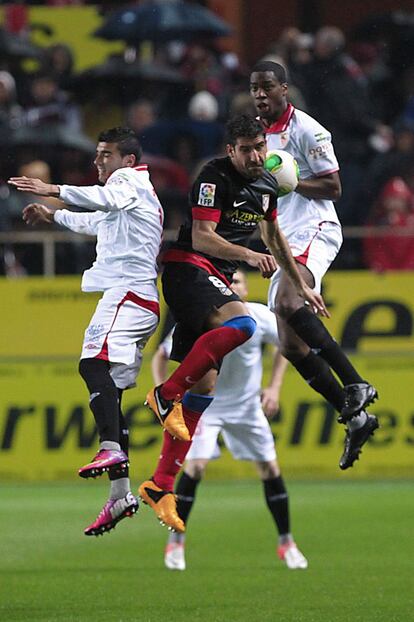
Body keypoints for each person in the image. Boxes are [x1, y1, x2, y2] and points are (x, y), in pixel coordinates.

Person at [138, 113, 328, 532]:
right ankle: (164, 393)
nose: (256, 156)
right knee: (242, 325)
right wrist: (247, 256)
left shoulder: (267, 185)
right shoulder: (212, 177)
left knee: (202, 390)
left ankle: (160, 484)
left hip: (214, 279)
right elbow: (203, 237)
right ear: (231, 150)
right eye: (246, 150)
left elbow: (275, 240)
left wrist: (302, 284)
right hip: (188, 268)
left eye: (260, 147)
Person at [8, 127, 164, 537]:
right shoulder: (132, 195)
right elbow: (101, 222)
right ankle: (120, 496)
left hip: (128, 293)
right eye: (97, 156)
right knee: (110, 388)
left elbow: (106, 199)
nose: (98, 162)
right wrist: (54, 214)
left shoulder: (128, 181)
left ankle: (110, 449)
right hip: (139, 298)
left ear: (128, 160)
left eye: (105, 155)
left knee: (90, 363)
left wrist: (51, 189)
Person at [249, 60, 379, 472]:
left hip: (314, 226)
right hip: (283, 234)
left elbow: (334, 187)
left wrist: (291, 183)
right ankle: (355, 416)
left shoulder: (308, 129)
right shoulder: (257, 137)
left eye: (267, 87)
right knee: (290, 345)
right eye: (254, 88)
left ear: (284, 89)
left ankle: (356, 382)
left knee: (290, 302)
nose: (260, 94)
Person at [154, 270, 307, 571]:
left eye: (236, 282)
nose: (231, 286)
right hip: (205, 407)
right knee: (195, 467)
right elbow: (160, 356)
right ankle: (176, 542)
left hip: (246, 406)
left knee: (269, 468)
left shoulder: (260, 316)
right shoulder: (202, 317)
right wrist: (167, 397)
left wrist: (274, 387)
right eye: (227, 282)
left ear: (246, 288)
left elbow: (287, 346)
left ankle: (286, 542)